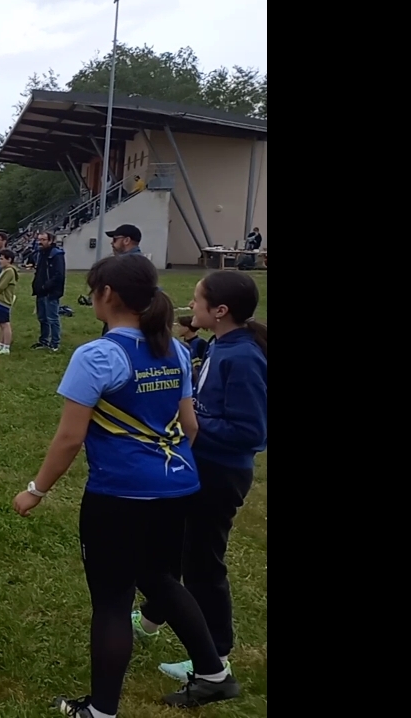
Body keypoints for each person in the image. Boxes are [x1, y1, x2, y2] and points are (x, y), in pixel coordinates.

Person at [13, 255, 241, 717]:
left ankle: (100, 711)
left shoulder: (97, 356)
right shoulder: (174, 349)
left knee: (113, 600)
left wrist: (36, 490)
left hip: (119, 495)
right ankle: (214, 673)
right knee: (159, 579)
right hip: (176, 487)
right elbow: (190, 426)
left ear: (107, 295)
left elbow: (70, 438)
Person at [135, 270, 266, 684]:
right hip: (201, 467)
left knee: (203, 566)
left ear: (220, 310)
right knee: (175, 547)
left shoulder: (243, 358)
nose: (191, 306)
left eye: (197, 299)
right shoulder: (221, 346)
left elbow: (251, 432)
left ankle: (216, 656)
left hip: (221, 474)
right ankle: (151, 619)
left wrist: (191, 421)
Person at [30, 232, 66, 352]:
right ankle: (44, 340)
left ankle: (55, 343)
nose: (40, 242)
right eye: (39, 239)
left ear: (50, 241)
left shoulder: (56, 255)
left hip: (50, 292)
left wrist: (47, 286)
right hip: (40, 291)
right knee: (42, 318)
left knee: (52, 318)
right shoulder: (40, 254)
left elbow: (59, 274)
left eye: (43, 240)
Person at [0, 249, 18, 354]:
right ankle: (1, 344)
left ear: (9, 259)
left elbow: (1, 286)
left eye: (1, 259)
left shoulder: (9, 271)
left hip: (3, 300)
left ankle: (6, 347)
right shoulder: (5, 270)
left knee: (5, 324)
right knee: (1, 324)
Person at [175, 316, 210, 388]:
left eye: (179, 326)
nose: (177, 329)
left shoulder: (200, 343)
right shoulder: (181, 344)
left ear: (186, 328)